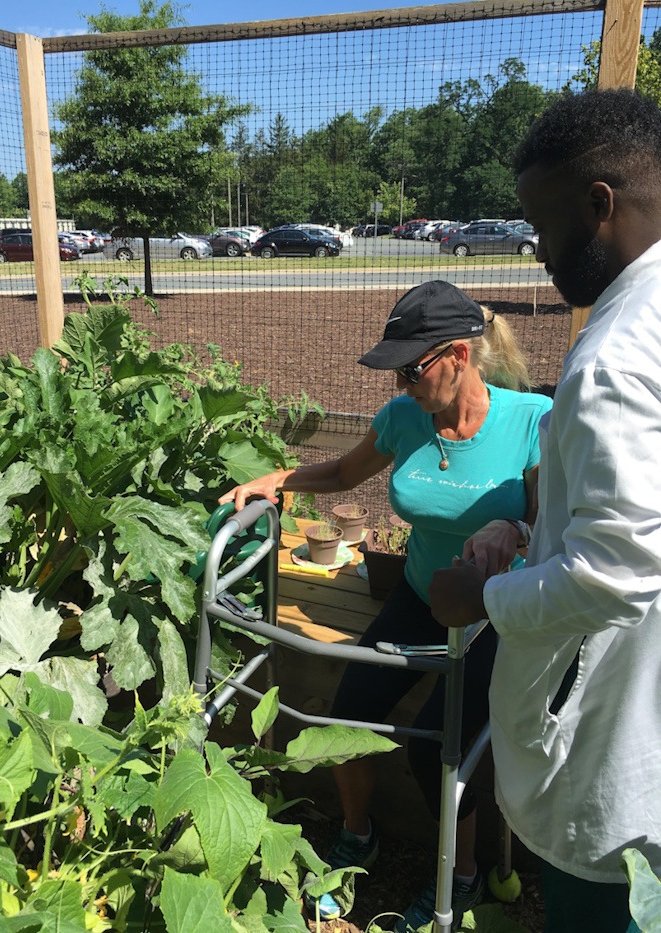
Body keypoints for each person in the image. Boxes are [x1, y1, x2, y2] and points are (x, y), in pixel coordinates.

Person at [220, 279, 552, 930]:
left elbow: (550, 530)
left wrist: (514, 531)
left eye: (411, 368)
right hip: (421, 590)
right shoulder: (405, 419)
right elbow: (344, 475)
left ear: (459, 355)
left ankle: (462, 872)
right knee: (349, 714)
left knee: (436, 747)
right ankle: (358, 834)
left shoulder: (530, 421)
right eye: (396, 370)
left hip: (493, 611)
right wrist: (276, 479)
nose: (403, 384)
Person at [429, 89, 661, 933]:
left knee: (604, 902)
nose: (537, 247)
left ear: (599, 204)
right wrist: (530, 525)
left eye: (544, 221)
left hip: (618, 748)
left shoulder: (614, 359)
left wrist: (479, 600)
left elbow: (620, 571)